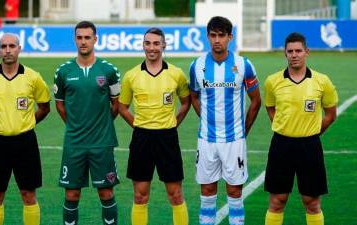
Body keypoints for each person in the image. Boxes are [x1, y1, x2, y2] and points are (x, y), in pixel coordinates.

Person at [189, 16, 261, 225]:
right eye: (213, 35)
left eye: (222, 35)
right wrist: (205, 117)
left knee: (235, 191)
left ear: (230, 37)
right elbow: (193, 95)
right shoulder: (197, 66)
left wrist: (243, 130)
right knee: (207, 190)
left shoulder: (243, 64)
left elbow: (255, 100)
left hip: (234, 140)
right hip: (207, 139)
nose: (217, 40)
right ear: (208, 37)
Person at [0, 33, 50, 225]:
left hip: (25, 142)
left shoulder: (33, 77)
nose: (7, 50)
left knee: (28, 194)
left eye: (12, 46)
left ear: (19, 48)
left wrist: (27, 123)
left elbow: (44, 106)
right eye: (3, 46)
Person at [118, 27, 191, 225]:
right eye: (148, 43)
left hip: (167, 138)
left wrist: (174, 123)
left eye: (156, 43)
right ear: (142, 45)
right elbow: (122, 107)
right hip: (142, 139)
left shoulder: (177, 74)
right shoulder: (131, 76)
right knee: (140, 196)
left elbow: (186, 102)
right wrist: (138, 126)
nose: (152, 48)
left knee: (175, 194)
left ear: (164, 45)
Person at [264, 32, 338, 225]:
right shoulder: (272, 81)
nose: (294, 55)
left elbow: (330, 114)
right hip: (281, 144)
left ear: (307, 52)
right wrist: (284, 126)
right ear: (285, 54)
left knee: (312, 202)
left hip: (310, 145)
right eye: (290, 51)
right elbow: (270, 108)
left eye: (298, 50)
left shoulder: (322, 81)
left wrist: (312, 132)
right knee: (277, 201)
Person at [54, 21, 121, 225]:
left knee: (106, 193)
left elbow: (115, 105)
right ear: (75, 39)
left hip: (102, 143)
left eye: (87, 37)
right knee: (72, 194)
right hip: (74, 143)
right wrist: (76, 125)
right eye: (79, 37)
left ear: (95, 39)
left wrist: (100, 125)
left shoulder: (109, 70)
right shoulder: (63, 71)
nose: (83, 42)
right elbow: (60, 106)